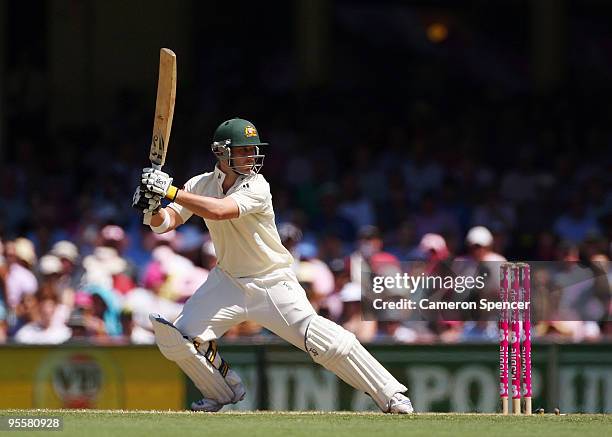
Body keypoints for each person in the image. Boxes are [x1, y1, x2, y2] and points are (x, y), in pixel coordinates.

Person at [132, 118, 412, 413]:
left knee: (326, 342)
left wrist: (170, 191)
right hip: (227, 280)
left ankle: (390, 394)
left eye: (253, 150)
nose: (251, 157)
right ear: (220, 153)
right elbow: (166, 224)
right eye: (243, 151)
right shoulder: (200, 184)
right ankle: (222, 392)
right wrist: (151, 209)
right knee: (178, 339)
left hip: (271, 281)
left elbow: (219, 211)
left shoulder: (257, 185)